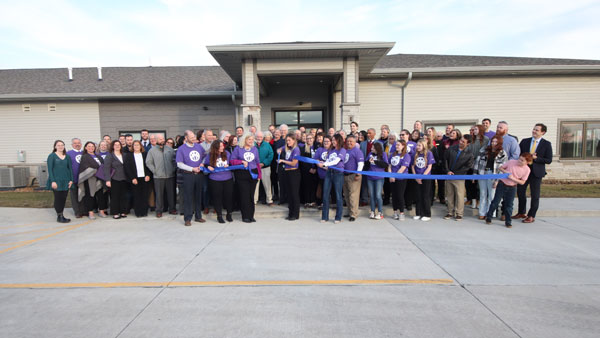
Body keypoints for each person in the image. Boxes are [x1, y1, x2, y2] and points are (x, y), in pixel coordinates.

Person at [514, 123, 553, 223]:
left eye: (537, 130)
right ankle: (521, 212)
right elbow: (519, 154)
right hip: (523, 171)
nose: (534, 131)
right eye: (534, 129)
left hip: (536, 172)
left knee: (535, 194)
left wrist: (536, 158)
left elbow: (548, 160)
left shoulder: (546, 144)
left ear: (542, 132)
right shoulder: (525, 141)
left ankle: (531, 215)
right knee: (520, 192)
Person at [485, 153, 532, 228]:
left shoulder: (527, 170)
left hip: (512, 187)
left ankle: (508, 221)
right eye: (519, 159)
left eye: (522, 160)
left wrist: (513, 178)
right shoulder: (511, 162)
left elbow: (522, 182)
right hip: (502, 184)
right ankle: (489, 217)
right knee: (495, 202)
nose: (519, 161)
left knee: (509, 205)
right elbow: (501, 168)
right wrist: (506, 172)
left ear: (527, 162)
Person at [176, 130, 206, 226]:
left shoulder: (199, 146)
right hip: (188, 175)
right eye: (191, 137)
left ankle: (198, 216)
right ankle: (187, 218)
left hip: (199, 175)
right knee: (188, 197)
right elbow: (179, 164)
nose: (194, 138)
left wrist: (202, 163)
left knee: (198, 196)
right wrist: (192, 169)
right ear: (186, 138)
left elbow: (205, 156)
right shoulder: (181, 149)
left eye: (194, 137)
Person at [474, 135, 507, 220]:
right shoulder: (484, 150)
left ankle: (491, 213)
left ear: (499, 143)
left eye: (496, 142)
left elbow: (503, 167)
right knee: (483, 194)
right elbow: (477, 162)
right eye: (492, 141)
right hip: (483, 173)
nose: (493, 143)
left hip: (494, 174)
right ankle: (482, 213)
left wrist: (497, 180)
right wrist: (475, 174)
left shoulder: (502, 153)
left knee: (491, 195)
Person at [231, 133, 261, 223]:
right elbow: (232, 161)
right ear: (244, 140)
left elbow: (257, 162)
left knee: (251, 195)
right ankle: (245, 216)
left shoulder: (255, 149)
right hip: (242, 174)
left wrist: (259, 175)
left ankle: (251, 215)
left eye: (252, 140)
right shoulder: (238, 149)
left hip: (253, 173)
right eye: (249, 139)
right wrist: (241, 161)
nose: (251, 141)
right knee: (244, 195)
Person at [443, 135, 474, 221]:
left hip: (459, 177)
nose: (460, 142)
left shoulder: (469, 153)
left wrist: (456, 173)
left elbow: (468, 167)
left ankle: (459, 213)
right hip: (449, 175)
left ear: (468, 143)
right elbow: (445, 160)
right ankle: (449, 212)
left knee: (460, 196)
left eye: (463, 142)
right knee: (449, 195)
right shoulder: (451, 149)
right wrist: (447, 171)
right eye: (461, 140)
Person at [318, 134, 346, 223]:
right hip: (329, 173)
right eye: (332, 140)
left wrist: (325, 164)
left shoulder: (342, 150)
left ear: (339, 140)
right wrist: (323, 163)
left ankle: (338, 217)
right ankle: (324, 216)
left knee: (338, 196)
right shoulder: (331, 150)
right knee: (325, 195)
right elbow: (328, 161)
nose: (333, 142)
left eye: (334, 140)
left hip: (338, 174)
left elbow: (336, 161)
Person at [146, 135, 176, 218]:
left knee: (171, 194)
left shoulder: (170, 149)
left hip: (170, 176)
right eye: (160, 139)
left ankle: (172, 209)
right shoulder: (152, 151)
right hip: (158, 177)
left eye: (163, 138)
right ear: (156, 140)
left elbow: (174, 161)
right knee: (159, 195)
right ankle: (159, 210)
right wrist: (155, 171)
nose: (162, 140)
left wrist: (173, 169)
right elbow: (148, 162)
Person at [204, 140, 234, 223]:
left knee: (228, 197)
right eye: (220, 146)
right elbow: (206, 164)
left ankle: (229, 214)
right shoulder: (210, 155)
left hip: (227, 178)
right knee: (217, 198)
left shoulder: (227, 153)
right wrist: (208, 166)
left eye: (222, 146)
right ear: (215, 147)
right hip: (215, 179)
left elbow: (232, 163)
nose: (222, 147)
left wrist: (229, 165)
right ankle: (219, 215)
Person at [47, 140, 73, 223]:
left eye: (62, 145)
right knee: (58, 198)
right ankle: (59, 216)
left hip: (66, 180)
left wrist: (71, 180)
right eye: (58, 145)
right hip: (56, 180)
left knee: (63, 198)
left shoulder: (67, 156)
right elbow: (50, 170)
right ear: (55, 146)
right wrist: (53, 181)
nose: (60, 146)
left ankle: (61, 215)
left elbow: (70, 169)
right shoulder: (52, 156)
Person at [77, 141, 105, 219]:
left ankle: (101, 211)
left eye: (92, 146)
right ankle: (91, 212)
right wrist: (96, 171)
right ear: (85, 148)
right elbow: (85, 167)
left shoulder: (98, 156)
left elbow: (103, 166)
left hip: (100, 179)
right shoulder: (85, 157)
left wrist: (101, 172)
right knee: (90, 196)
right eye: (89, 146)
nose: (91, 148)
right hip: (90, 179)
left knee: (101, 195)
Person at [124, 141, 151, 217]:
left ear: (140, 146)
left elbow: (149, 165)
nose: (136, 146)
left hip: (145, 178)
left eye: (138, 145)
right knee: (137, 196)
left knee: (145, 196)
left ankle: (144, 212)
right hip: (135, 179)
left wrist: (148, 175)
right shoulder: (129, 156)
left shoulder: (145, 154)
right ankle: (138, 212)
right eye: (134, 145)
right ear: (132, 147)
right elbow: (127, 168)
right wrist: (132, 178)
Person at [466, 125, 489, 209]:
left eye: (476, 129)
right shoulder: (471, 139)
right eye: (473, 129)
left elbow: (484, 150)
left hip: (480, 164)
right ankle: (473, 199)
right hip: (471, 164)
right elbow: (468, 149)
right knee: (471, 183)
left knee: (479, 184)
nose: (474, 131)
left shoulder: (486, 139)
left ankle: (479, 200)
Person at [278, 133, 300, 220]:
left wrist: (283, 161)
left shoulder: (296, 149)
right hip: (287, 173)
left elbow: (294, 163)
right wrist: (279, 150)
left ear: (294, 141)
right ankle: (290, 213)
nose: (287, 142)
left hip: (294, 173)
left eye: (289, 140)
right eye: (286, 140)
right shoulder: (287, 148)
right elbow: (280, 149)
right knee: (289, 194)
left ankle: (295, 214)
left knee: (294, 194)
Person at [412, 139, 435, 221]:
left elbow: (429, 166)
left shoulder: (429, 153)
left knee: (425, 196)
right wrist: (416, 177)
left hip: (426, 178)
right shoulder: (415, 154)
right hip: (416, 178)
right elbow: (412, 166)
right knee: (418, 196)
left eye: (419, 145)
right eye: (417, 145)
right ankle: (418, 213)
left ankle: (427, 214)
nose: (417, 147)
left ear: (424, 146)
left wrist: (422, 177)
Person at [104, 140, 129, 219]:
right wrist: (108, 180)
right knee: (115, 197)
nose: (117, 146)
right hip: (114, 179)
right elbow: (106, 168)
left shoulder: (124, 155)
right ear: (113, 146)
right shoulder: (110, 156)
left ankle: (123, 212)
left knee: (123, 196)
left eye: (119, 145)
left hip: (124, 179)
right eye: (115, 145)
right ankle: (115, 213)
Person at [342, 135, 364, 222]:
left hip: (354, 175)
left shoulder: (357, 151)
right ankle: (349, 211)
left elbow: (361, 163)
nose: (349, 143)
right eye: (348, 141)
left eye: (351, 141)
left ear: (355, 142)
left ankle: (353, 214)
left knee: (353, 196)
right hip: (345, 175)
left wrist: (358, 173)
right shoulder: (345, 150)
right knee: (346, 195)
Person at [389, 139, 411, 221]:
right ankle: (395, 212)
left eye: (398, 145)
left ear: (403, 146)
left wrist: (395, 176)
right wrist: (391, 175)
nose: (396, 146)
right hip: (392, 178)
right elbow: (389, 166)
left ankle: (401, 213)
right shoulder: (392, 154)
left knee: (400, 195)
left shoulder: (406, 155)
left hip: (401, 179)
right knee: (394, 195)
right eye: (396, 145)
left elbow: (403, 167)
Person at [365, 142, 388, 220]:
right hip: (370, 177)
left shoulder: (383, 154)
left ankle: (380, 212)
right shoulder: (370, 154)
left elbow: (385, 164)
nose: (371, 149)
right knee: (372, 195)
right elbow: (366, 165)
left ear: (377, 149)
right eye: (371, 148)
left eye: (373, 148)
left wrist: (375, 162)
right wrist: (368, 162)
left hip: (379, 177)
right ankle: (372, 211)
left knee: (378, 195)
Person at [254, 131, 274, 206]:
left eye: (260, 137)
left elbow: (271, 154)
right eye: (257, 136)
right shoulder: (252, 144)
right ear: (255, 137)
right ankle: (254, 200)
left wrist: (264, 163)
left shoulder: (267, 145)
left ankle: (269, 200)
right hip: (255, 168)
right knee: (255, 185)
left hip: (265, 167)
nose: (259, 138)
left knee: (267, 184)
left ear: (263, 137)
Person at [300, 133, 318, 208]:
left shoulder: (317, 148)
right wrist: (309, 169)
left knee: (314, 186)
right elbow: (302, 161)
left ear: (313, 139)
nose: (309, 140)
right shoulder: (303, 148)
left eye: (311, 138)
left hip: (316, 170)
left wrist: (315, 169)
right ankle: (307, 201)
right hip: (306, 171)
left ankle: (313, 201)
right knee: (307, 186)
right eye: (308, 138)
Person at [359, 128, 377, 206]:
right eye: (367, 133)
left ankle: (375, 200)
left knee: (375, 184)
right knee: (364, 183)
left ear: (374, 134)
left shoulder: (378, 143)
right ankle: (364, 199)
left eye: (370, 133)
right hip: (365, 166)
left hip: (375, 167)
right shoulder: (362, 144)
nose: (368, 135)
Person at [67, 138, 84, 218]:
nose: (77, 144)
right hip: (73, 178)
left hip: (83, 178)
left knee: (83, 195)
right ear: (72, 145)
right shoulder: (68, 154)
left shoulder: (84, 153)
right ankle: (77, 212)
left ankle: (83, 210)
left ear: (81, 144)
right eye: (75, 143)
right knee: (74, 196)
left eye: (78, 143)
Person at [313, 136, 331, 209]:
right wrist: (323, 166)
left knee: (328, 190)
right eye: (324, 141)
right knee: (321, 189)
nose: (326, 143)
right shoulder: (320, 149)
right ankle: (321, 203)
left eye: (327, 141)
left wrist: (327, 167)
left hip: (330, 173)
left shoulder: (333, 150)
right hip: (321, 174)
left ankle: (327, 203)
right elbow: (316, 160)